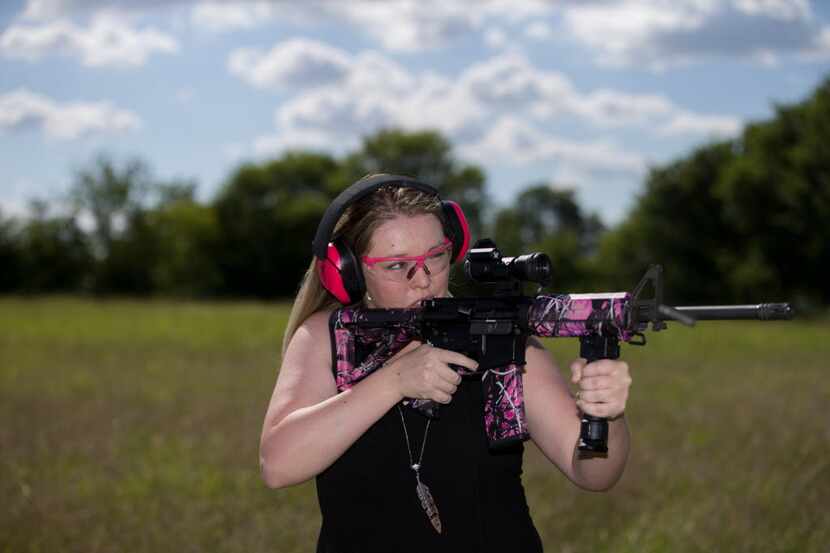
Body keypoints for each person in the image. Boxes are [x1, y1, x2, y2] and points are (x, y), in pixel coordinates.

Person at [259, 174, 632, 553]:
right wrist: (392, 383)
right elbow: (279, 463)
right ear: (350, 272)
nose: (422, 280)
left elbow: (593, 474)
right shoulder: (325, 336)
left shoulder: (502, 341)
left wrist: (607, 416)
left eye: (435, 257)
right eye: (395, 265)